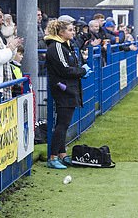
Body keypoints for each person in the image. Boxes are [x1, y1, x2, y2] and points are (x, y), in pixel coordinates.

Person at [44, 19, 90, 169]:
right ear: (61, 32)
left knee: (64, 124)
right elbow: (64, 70)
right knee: (62, 125)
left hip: (69, 88)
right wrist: (82, 71)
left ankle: (62, 154)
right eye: (70, 30)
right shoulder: (56, 47)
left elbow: (72, 65)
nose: (73, 32)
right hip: (63, 89)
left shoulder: (66, 46)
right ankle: (53, 157)